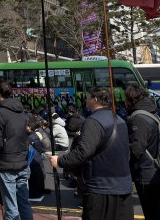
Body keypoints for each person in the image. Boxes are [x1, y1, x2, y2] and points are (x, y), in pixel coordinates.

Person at [49, 87, 133, 220]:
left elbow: (83, 151)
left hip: (101, 188)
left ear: (94, 99)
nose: (86, 99)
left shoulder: (93, 122)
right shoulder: (119, 119)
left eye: (88, 96)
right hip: (124, 186)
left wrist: (59, 161)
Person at [0, 81, 33, 220]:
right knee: (24, 203)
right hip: (22, 160)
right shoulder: (20, 110)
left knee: (11, 207)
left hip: (6, 162)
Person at [125, 83, 160, 220]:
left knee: (152, 211)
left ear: (131, 99)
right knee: (154, 210)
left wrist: (123, 161)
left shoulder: (139, 118)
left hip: (145, 172)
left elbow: (137, 147)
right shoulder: (151, 112)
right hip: (154, 169)